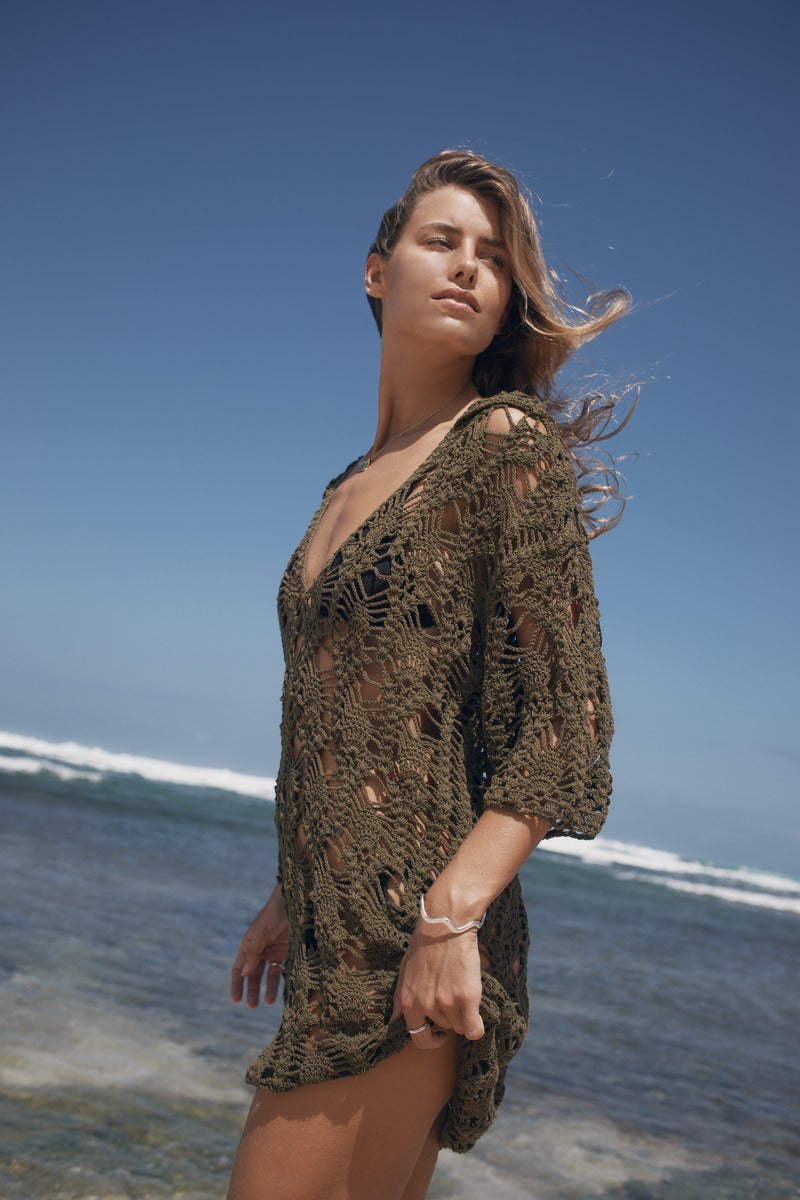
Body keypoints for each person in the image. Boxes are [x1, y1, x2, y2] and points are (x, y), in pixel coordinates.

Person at [227, 149, 632, 1200]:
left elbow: (566, 729)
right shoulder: (347, 486)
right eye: (439, 241)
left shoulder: (502, 446)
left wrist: (448, 920)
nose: (465, 269)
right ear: (377, 270)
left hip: (414, 943)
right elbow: (363, 721)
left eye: (492, 259)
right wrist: (287, 888)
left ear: (505, 303)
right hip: (338, 932)